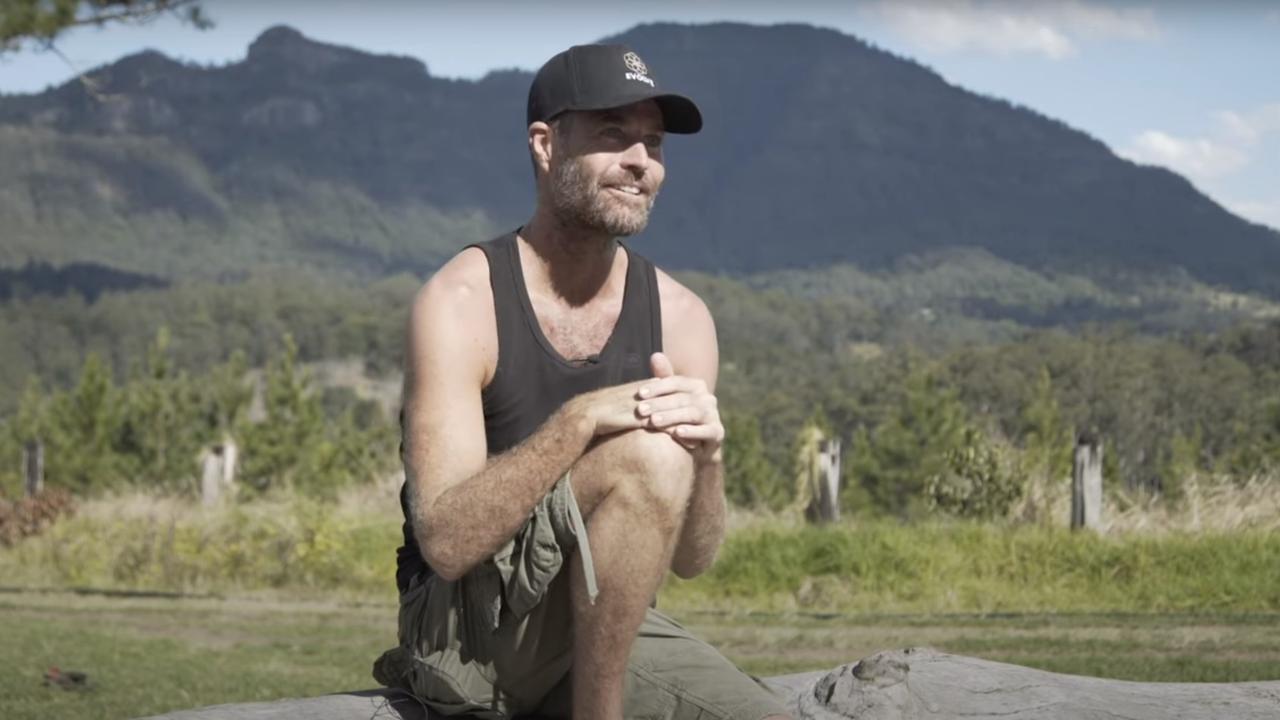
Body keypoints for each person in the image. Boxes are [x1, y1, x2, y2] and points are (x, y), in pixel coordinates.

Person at [373, 43, 792, 720]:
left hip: (603, 626)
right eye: (612, 135)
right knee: (645, 453)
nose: (641, 162)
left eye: (653, 144)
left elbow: (692, 559)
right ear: (545, 145)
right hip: (466, 633)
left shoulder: (683, 319)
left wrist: (708, 463)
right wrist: (579, 422)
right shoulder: (460, 302)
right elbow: (446, 545)